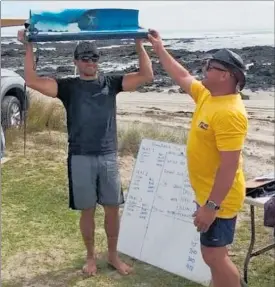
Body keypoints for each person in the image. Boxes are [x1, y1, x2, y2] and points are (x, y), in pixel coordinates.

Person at [17, 30, 154, 276]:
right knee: (87, 209)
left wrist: (138, 42)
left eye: (94, 58)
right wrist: (29, 46)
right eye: (85, 58)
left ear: (98, 61)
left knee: (113, 208)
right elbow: (31, 79)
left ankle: (112, 255)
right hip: (80, 156)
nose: (90, 62)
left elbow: (147, 75)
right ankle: (90, 257)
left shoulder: (111, 83)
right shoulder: (68, 87)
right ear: (76, 61)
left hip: (108, 155)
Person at [148, 30, 248, 287]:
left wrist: (211, 207)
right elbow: (181, 75)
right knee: (215, 254)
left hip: (220, 200)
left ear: (226, 75)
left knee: (213, 255)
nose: (204, 69)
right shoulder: (207, 96)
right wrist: (159, 49)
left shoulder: (230, 113)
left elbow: (229, 166)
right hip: (206, 193)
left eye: (210, 66)